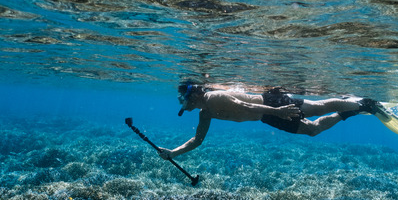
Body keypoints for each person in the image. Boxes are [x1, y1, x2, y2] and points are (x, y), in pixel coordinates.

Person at [158, 82, 379, 159]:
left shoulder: (214, 97)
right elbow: (197, 140)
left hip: (271, 103)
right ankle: (347, 112)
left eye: (184, 98)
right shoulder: (204, 114)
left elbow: (246, 106)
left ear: (194, 94)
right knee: (312, 130)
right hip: (267, 116)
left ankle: (362, 104)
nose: (183, 103)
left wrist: (280, 110)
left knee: (318, 107)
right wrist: (172, 152)